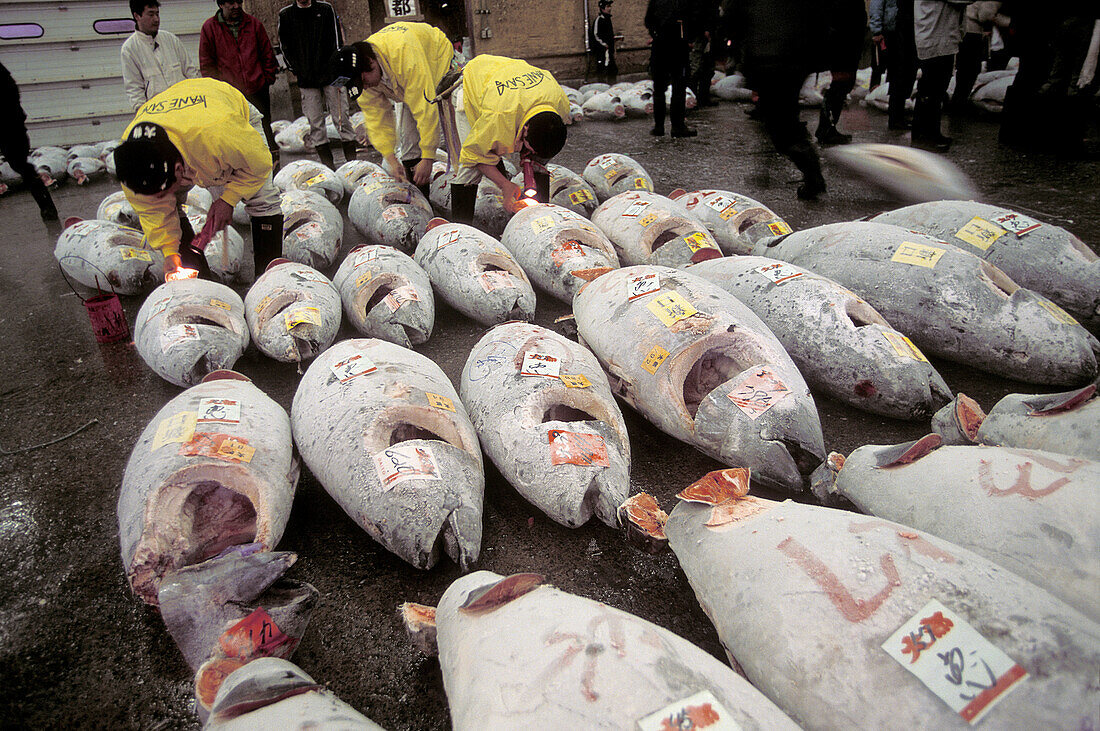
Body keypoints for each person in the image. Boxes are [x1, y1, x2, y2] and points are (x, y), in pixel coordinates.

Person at [113, 78, 283, 280]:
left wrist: (228, 199)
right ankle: (202, 279)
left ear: (179, 169)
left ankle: (268, 276)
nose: (163, 198)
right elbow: (153, 211)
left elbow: (260, 163)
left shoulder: (220, 135)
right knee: (170, 208)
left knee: (262, 199)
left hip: (223, 109)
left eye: (165, 191)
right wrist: (169, 251)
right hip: (183, 122)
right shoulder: (133, 166)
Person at [328, 22, 459, 196]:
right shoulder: (363, 77)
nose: (365, 87)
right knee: (408, 145)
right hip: (400, 83)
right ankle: (422, 202)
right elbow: (377, 119)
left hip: (436, 61)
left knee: (457, 138)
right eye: (360, 85)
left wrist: (428, 157)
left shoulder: (404, 55)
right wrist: (391, 159)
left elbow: (425, 106)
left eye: (364, 82)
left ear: (370, 63)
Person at [444, 54, 569, 225]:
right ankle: (461, 228)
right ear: (525, 130)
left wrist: (535, 162)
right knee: (470, 170)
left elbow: (543, 147)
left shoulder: (560, 103)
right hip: (473, 84)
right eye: (527, 148)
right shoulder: (498, 117)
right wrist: (504, 185)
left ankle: (540, 217)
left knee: (538, 160)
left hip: (507, 78)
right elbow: (473, 154)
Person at [732, 0, 827, 199]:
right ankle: (796, 169)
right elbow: (818, 19)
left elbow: (735, 19)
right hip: (793, 61)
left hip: (765, 61)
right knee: (780, 117)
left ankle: (811, 174)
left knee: (780, 128)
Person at [199, 0, 279, 166]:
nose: (236, 6)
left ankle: (273, 168)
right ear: (220, 4)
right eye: (230, 2)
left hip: (257, 90)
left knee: (264, 131)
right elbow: (207, 64)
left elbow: (267, 54)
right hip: (230, 95)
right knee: (236, 135)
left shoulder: (253, 24)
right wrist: (219, 91)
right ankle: (246, 172)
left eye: (239, 1)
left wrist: (266, 80)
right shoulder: (210, 28)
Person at [277, 0, 356, 169]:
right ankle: (329, 167)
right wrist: (295, 69)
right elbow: (285, 46)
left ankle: (353, 164)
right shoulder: (286, 15)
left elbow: (337, 41)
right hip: (306, 78)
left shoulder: (325, 9)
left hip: (331, 75)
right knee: (315, 123)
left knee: (341, 118)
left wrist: (337, 66)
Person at [0, 62, 57, 220]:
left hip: (10, 126)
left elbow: (11, 94)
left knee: (21, 165)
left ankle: (47, 207)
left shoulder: (2, 75)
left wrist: (13, 120)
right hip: (11, 125)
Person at [121, 0, 199, 112]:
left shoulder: (170, 39)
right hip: (158, 115)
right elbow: (134, 90)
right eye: (151, 14)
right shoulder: (129, 49)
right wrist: (144, 115)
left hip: (186, 109)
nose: (156, 19)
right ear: (137, 16)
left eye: (157, 14)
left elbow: (191, 73)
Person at [911, 0, 967, 151]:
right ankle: (925, 136)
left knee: (935, 89)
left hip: (939, 38)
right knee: (932, 88)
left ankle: (929, 133)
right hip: (935, 39)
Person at [815, 0, 866, 145]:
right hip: (843, 44)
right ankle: (826, 129)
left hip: (847, 43)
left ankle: (827, 128)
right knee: (840, 85)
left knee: (843, 85)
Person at [645, 0, 696, 137]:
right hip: (678, 49)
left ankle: (659, 126)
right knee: (679, 88)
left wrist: (656, 34)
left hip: (659, 48)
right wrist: (689, 39)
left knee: (659, 89)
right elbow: (692, 19)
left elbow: (648, 21)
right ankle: (677, 126)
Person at [870, 0, 916, 129]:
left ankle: (898, 116)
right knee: (897, 74)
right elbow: (876, 5)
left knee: (906, 74)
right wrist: (876, 30)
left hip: (908, 31)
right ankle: (895, 118)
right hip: (893, 32)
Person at [689, 0, 720, 107]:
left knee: (706, 68)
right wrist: (706, 29)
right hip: (700, 35)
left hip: (705, 33)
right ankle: (696, 98)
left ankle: (702, 97)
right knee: (697, 68)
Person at [590, 0, 618, 85]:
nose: (610, 8)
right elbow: (595, 35)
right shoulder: (599, 20)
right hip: (602, 51)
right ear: (602, 8)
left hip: (609, 51)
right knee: (602, 70)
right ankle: (602, 87)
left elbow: (610, 35)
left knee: (612, 69)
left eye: (610, 6)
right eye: (607, 6)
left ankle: (612, 86)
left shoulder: (608, 19)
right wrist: (604, 45)